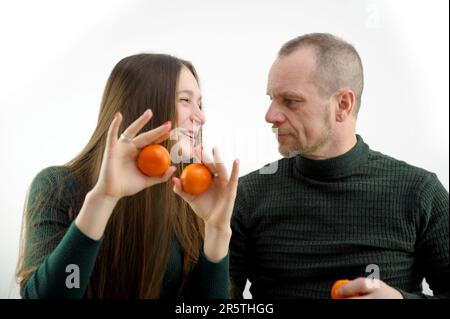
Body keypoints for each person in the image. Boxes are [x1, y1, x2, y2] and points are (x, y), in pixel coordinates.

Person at [230, 33, 449, 299]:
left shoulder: (420, 192)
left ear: (343, 104)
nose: (270, 116)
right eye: (271, 99)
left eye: (290, 101)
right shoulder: (248, 194)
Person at [16, 53, 239, 299]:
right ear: (144, 105)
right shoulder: (57, 186)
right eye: (185, 100)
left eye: (200, 103)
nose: (201, 117)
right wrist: (103, 198)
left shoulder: (191, 200)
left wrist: (217, 230)